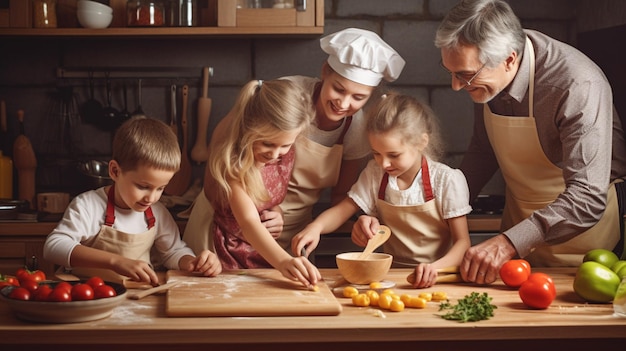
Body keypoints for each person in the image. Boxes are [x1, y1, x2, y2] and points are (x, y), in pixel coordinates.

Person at [434, 0, 626, 284]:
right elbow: (483, 150)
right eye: (451, 72)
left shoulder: (576, 84)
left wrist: (507, 243)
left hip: (587, 247)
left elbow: (587, 197)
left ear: (509, 60)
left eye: (465, 75)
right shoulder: (487, 77)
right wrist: (440, 210)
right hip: (518, 239)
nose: (456, 86)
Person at [293, 93, 472, 288]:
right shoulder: (375, 174)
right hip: (389, 278)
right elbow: (343, 209)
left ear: (422, 142)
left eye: (394, 155)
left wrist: (434, 269)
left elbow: (463, 243)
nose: (384, 163)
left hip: (437, 277)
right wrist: (315, 228)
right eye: (376, 153)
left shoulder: (446, 180)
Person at [44, 117, 222, 286]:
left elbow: (173, 252)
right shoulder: (88, 206)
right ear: (114, 171)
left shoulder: (157, 213)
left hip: (134, 299)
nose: (151, 198)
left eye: (160, 188)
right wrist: (116, 262)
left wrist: (192, 262)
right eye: (143, 186)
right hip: (89, 297)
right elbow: (54, 246)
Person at [277, 27, 407, 254]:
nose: (344, 104)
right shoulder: (288, 94)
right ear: (325, 71)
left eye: (358, 97)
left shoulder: (354, 127)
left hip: (298, 232)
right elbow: (233, 156)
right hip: (242, 218)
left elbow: (342, 196)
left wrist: (361, 220)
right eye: (338, 89)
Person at [183, 79, 320, 289]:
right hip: (220, 245)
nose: (275, 154)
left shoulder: (283, 150)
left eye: (285, 145)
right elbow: (248, 222)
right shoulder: (232, 160)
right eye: (267, 143)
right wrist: (283, 261)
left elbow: (266, 194)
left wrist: (277, 212)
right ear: (247, 130)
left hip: (254, 244)